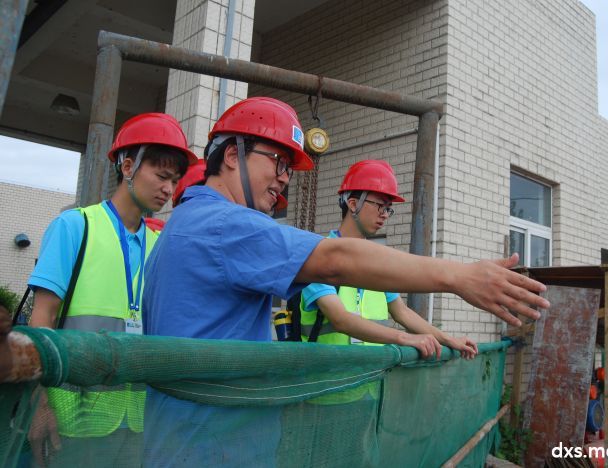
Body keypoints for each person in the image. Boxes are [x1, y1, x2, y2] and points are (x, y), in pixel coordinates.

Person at [142, 96, 549, 467]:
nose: (285, 177)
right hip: (215, 443)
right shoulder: (224, 224)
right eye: (279, 161)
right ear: (233, 154)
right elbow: (336, 261)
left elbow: (392, 304)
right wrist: (458, 276)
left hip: (199, 434)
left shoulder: (191, 223)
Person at [26, 113, 197, 467]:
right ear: (129, 166)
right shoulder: (75, 226)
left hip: (137, 419)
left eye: (175, 180)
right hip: (72, 417)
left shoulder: (158, 244)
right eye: (162, 176)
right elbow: (42, 317)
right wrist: (39, 405)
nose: (169, 189)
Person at [300, 159, 477, 359]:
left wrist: (448, 340)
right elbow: (340, 319)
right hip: (325, 385)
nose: (384, 215)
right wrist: (404, 338)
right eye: (379, 206)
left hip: (372, 385)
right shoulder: (319, 255)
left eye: (388, 209)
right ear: (353, 204)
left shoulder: (376, 261)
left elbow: (401, 312)